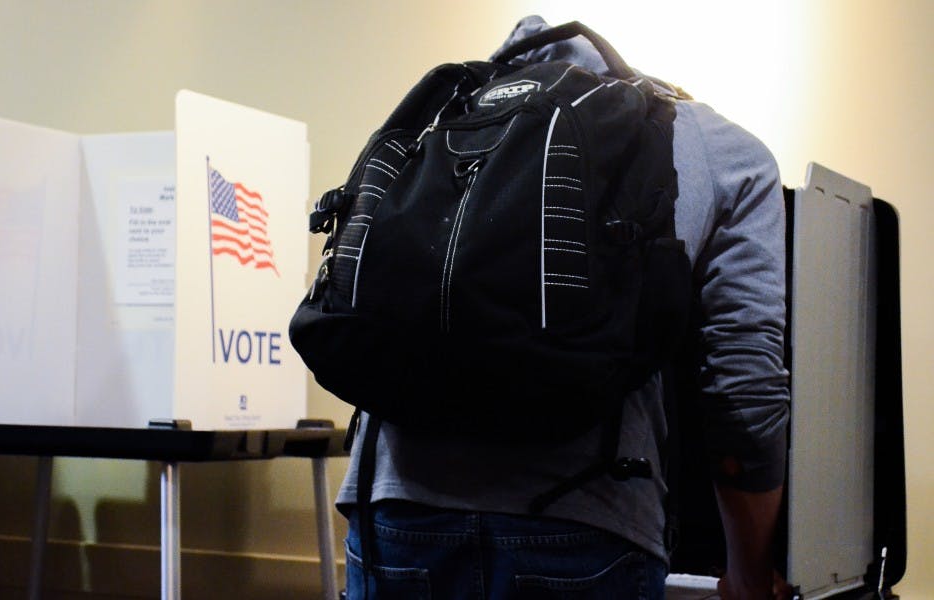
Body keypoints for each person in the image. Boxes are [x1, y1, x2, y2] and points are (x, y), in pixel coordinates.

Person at [335, 15, 791, 599]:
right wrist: (748, 572)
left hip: (392, 517)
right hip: (587, 521)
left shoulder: (434, 119)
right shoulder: (714, 145)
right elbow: (744, 387)